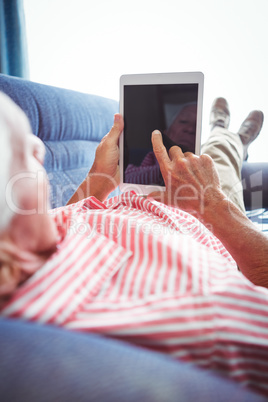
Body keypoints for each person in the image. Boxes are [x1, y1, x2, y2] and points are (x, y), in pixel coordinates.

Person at [0, 92, 268, 397]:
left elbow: (59, 221)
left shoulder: (23, 243)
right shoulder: (203, 310)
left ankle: (227, 135)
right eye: (23, 154)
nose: (40, 148)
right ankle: (229, 135)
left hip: (156, 203)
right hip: (213, 224)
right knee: (217, 156)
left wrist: (96, 182)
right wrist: (214, 205)